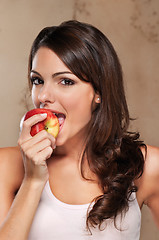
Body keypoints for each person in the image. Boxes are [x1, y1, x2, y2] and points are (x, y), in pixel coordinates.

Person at [0, 20, 159, 240]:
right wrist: (33, 181)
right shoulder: (6, 166)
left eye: (65, 81)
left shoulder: (146, 165)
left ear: (98, 92)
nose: (43, 96)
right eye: (38, 80)